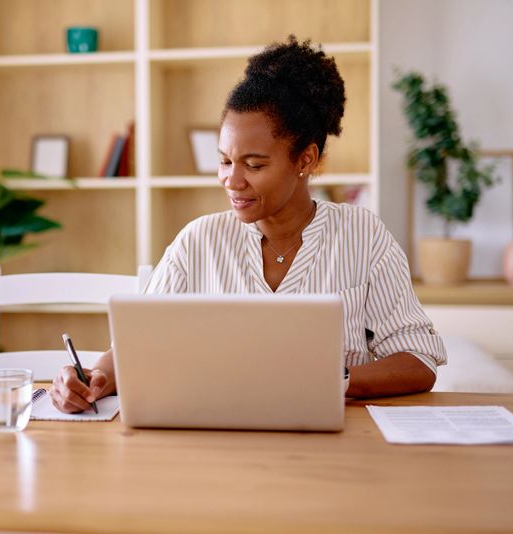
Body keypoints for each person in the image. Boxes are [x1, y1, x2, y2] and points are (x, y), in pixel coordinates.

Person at [50, 36, 447, 413]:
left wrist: (333, 379)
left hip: (330, 448)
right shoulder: (198, 242)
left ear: (305, 160)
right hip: (216, 447)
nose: (231, 180)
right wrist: (93, 378)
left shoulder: (363, 237)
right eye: (224, 161)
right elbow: (132, 350)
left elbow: (418, 362)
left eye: (254, 165)